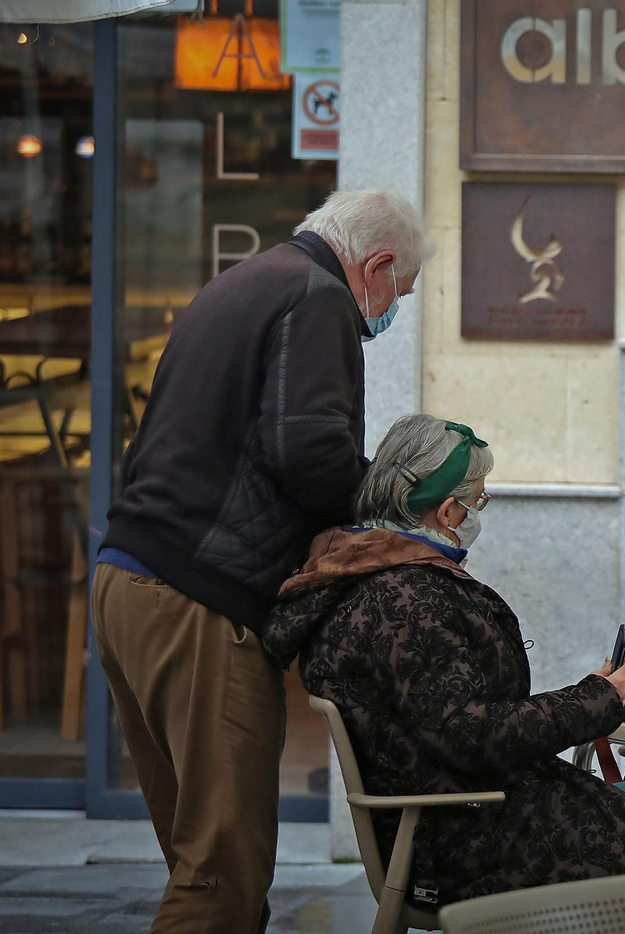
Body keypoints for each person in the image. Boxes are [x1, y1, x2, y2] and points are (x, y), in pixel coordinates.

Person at [260, 415, 625, 934]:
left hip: (464, 814)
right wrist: (595, 699)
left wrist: (593, 695)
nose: (479, 512)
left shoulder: (372, 580)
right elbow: (472, 734)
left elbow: (454, 715)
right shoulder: (407, 600)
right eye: (478, 499)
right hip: (466, 837)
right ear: (447, 512)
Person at [92, 187, 432, 933]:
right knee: (221, 876)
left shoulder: (241, 283)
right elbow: (309, 452)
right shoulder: (318, 297)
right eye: (401, 291)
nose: (391, 310)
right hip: (199, 599)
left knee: (201, 860)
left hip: (129, 580)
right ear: (377, 266)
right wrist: (392, 517)